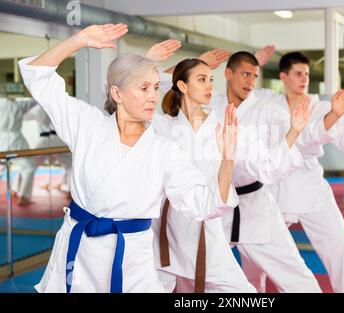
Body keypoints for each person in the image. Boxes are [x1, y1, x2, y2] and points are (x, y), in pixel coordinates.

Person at [18, 23, 236, 293]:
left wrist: (227, 159)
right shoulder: (87, 125)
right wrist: (80, 39)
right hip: (81, 252)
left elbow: (203, 204)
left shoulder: (163, 150)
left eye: (156, 88)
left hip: (132, 258)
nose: (153, 97)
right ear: (117, 93)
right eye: (144, 88)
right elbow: (37, 76)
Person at [153, 55, 313, 292]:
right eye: (201, 79)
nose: (209, 85)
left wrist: (294, 131)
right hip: (169, 227)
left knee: (241, 290)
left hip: (210, 224)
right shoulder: (164, 126)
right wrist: (151, 62)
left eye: (210, 79)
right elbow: (128, 102)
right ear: (183, 86)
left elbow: (268, 165)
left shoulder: (225, 127)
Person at [208, 50, 344, 292]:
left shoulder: (269, 110)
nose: (304, 79)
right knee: (222, 270)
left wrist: (333, 115)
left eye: (254, 75)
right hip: (223, 199)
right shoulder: (215, 103)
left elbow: (304, 136)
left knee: (319, 256)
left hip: (278, 188)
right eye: (298, 73)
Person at [253, 51, 344, 293]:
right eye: (298, 74)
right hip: (276, 189)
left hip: (311, 186)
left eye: (307, 74)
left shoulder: (321, 107)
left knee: (340, 246)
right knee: (259, 253)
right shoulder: (269, 106)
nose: (304, 79)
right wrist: (254, 63)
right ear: (283, 77)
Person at [24, 104, 72, 199]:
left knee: (29, 166)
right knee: (70, 165)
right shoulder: (60, 106)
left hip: (45, 140)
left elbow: (25, 117)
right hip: (59, 140)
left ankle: (22, 194)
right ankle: (70, 190)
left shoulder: (38, 107)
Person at [0, 96, 38, 205]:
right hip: (16, 139)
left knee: (1, 166)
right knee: (29, 166)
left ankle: (16, 190)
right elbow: (34, 101)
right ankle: (24, 196)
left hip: (1, 139)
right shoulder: (18, 104)